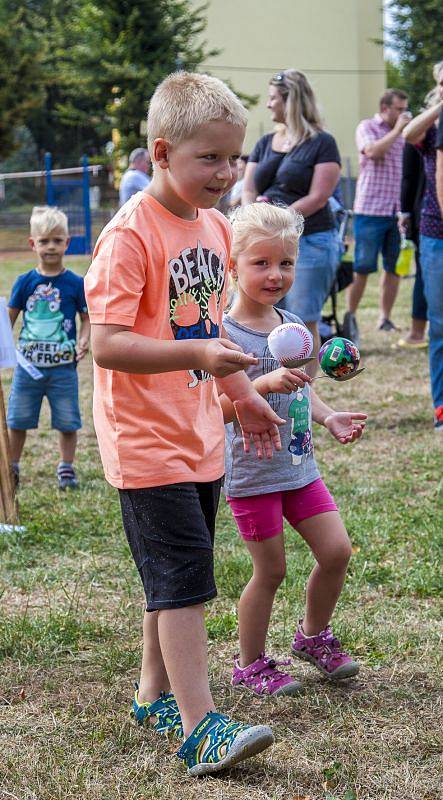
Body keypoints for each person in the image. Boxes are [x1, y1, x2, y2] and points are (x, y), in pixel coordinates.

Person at [84, 72, 286, 777]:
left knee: (172, 577)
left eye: (234, 158)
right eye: (211, 159)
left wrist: (244, 393)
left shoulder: (217, 226)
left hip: (199, 434)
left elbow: (210, 329)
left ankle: (152, 696)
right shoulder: (129, 235)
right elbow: (107, 344)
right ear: (163, 152)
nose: (227, 173)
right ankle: (200, 727)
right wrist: (198, 352)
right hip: (145, 442)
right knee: (185, 585)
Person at [219, 202, 367, 696]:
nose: (275, 274)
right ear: (232, 264)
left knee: (337, 550)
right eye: (261, 263)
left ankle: (312, 636)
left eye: (285, 263)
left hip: (300, 467)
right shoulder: (222, 336)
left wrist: (329, 417)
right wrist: (259, 385)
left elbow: (303, 387)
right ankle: (250, 663)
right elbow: (214, 409)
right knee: (272, 570)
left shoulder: (295, 325)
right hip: (253, 473)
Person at [242, 69, 341, 376]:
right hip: (261, 242)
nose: (269, 105)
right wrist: (252, 223)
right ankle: (263, 384)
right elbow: (248, 188)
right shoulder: (265, 142)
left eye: (273, 98)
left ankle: (303, 398)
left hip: (310, 240)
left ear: (291, 101)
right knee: (254, 315)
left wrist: (279, 224)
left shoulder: (322, 143)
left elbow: (319, 197)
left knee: (301, 319)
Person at [7, 206, 90, 489]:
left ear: (67, 242)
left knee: (68, 421)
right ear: (33, 244)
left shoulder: (75, 283)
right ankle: (11, 467)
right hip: (27, 370)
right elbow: (9, 319)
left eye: (57, 240)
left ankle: (66, 468)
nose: (51, 247)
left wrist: (84, 339)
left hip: (64, 370)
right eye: (44, 241)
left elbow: (86, 317)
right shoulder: (25, 282)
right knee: (17, 420)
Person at [345, 89, 411, 339]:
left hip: (397, 213)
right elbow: (373, 152)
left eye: (405, 109)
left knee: (394, 268)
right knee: (362, 267)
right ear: (385, 107)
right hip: (370, 210)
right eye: (399, 109)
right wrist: (397, 132)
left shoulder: (405, 133)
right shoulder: (367, 127)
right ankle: (350, 317)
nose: (403, 114)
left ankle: (385, 318)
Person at [403, 62, 443, 431]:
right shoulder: (432, 129)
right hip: (435, 232)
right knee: (441, 322)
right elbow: (408, 133)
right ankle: (441, 408)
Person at [396, 142, 427, 348]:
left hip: (426, 217)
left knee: (424, 276)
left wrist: (405, 212)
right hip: (425, 217)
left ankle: (417, 333)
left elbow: (408, 177)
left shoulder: (419, 134)